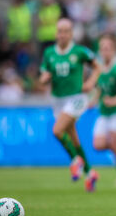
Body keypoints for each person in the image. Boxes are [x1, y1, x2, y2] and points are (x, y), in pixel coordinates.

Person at [39, 18, 101, 192]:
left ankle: (76, 161)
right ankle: (90, 174)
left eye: (66, 31)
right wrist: (44, 78)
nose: (62, 34)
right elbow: (44, 73)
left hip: (76, 98)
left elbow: (97, 67)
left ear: (71, 33)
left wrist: (91, 82)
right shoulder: (49, 52)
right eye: (60, 31)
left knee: (57, 131)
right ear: (56, 33)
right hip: (58, 100)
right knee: (73, 139)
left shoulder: (80, 51)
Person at [91, 35, 116, 186]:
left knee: (113, 143)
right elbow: (99, 89)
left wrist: (113, 101)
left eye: (107, 49)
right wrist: (93, 101)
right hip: (104, 112)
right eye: (102, 49)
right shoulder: (99, 69)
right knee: (98, 145)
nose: (104, 52)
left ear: (113, 51)